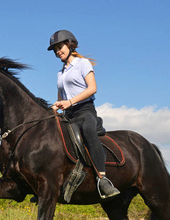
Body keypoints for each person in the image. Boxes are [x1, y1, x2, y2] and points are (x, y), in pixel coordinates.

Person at [48, 30, 120, 199]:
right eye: (55, 50)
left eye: (60, 47)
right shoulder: (60, 74)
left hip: (85, 110)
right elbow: (61, 98)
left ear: (70, 45)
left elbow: (92, 88)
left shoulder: (83, 63)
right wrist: (56, 106)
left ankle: (103, 179)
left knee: (88, 130)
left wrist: (70, 102)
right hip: (68, 113)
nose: (58, 51)